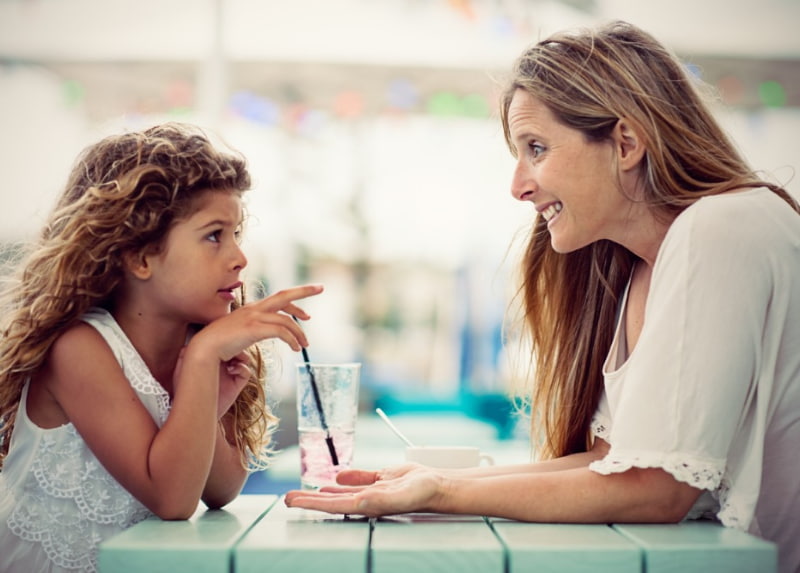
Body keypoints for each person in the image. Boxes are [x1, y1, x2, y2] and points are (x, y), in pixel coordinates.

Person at [285, 20, 800, 573]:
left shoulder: (722, 226)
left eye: (536, 148)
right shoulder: (644, 268)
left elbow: (656, 489)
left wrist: (442, 494)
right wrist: (429, 482)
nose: (518, 185)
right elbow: (613, 463)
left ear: (625, 142)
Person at [0, 122, 323, 572]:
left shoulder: (189, 344)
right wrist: (203, 361)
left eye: (236, 233)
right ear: (140, 257)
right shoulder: (78, 350)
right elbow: (172, 499)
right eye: (215, 235)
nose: (239, 256)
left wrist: (207, 397)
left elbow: (220, 489)